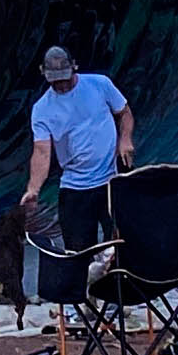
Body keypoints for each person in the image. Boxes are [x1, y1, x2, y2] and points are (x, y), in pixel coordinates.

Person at [21, 45, 135, 252]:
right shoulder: (42, 109)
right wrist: (33, 189)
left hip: (111, 180)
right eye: (56, 82)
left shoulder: (100, 84)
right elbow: (42, 152)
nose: (62, 86)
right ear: (45, 75)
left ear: (74, 67)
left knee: (123, 244)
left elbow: (124, 112)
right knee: (77, 250)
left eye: (65, 79)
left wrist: (125, 139)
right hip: (75, 187)